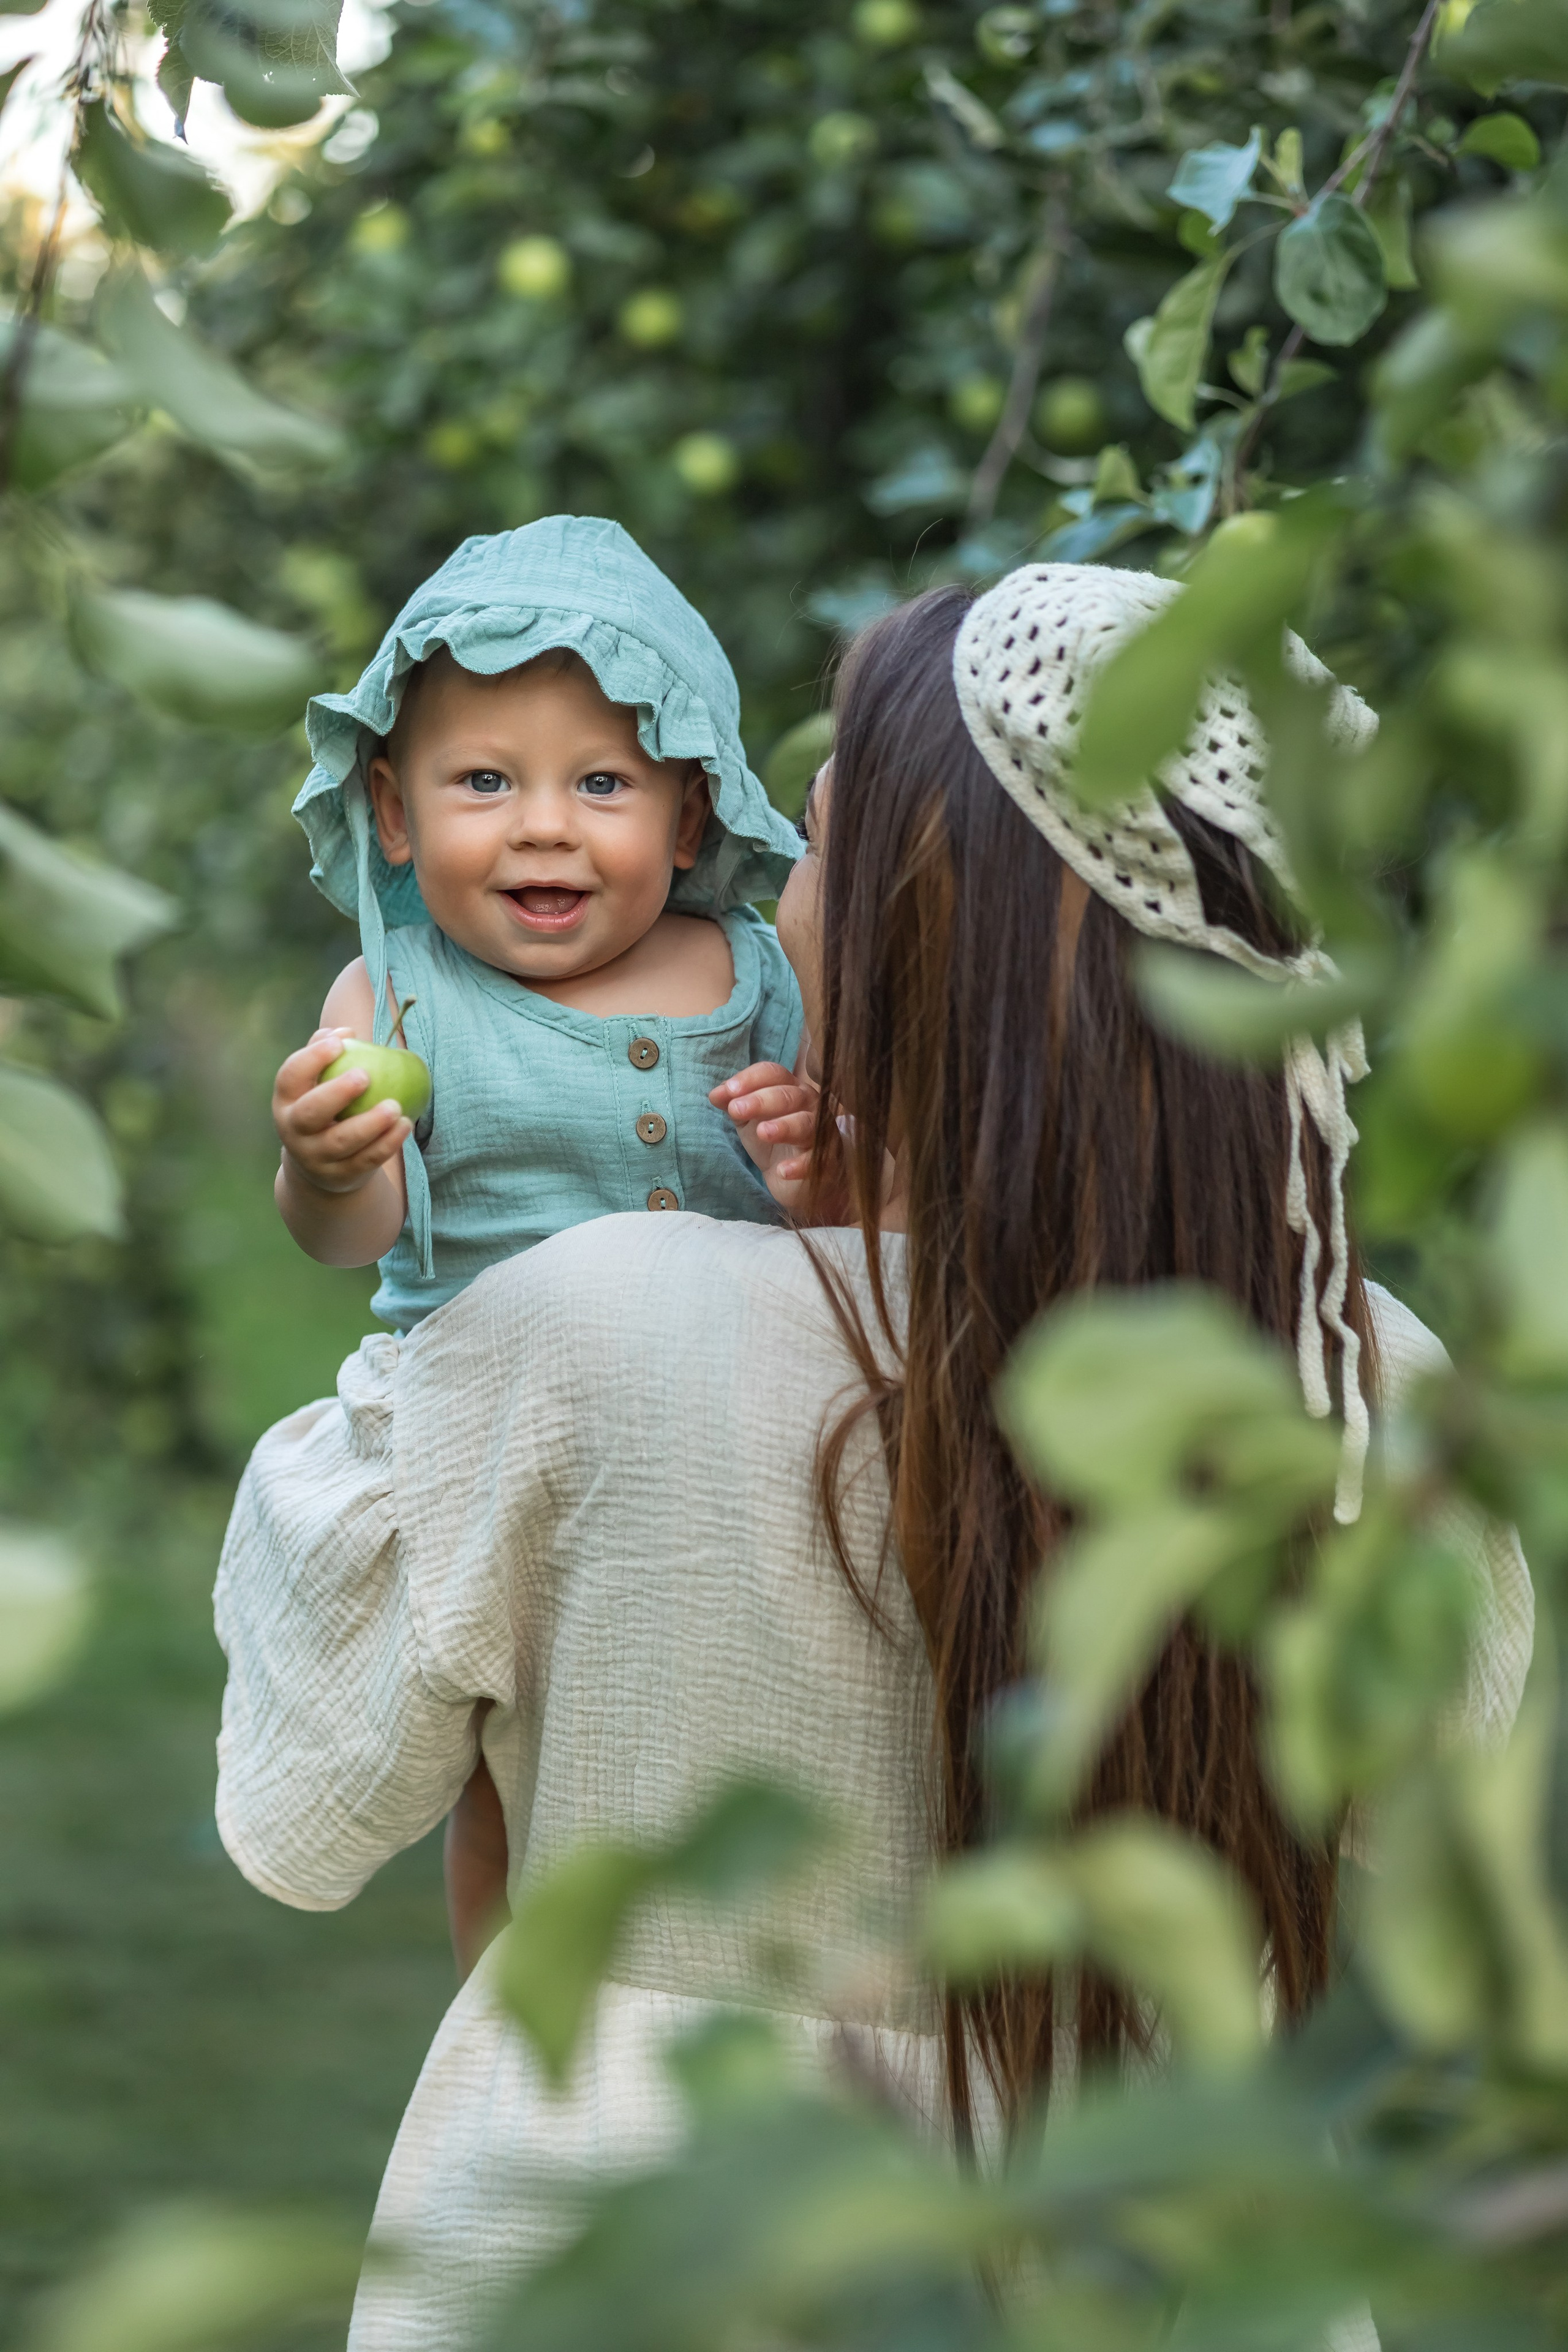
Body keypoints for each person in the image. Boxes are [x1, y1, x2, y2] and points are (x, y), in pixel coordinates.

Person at [213, 564, 1532, 2350]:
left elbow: (308, 1802)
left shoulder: (588, 1337)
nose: (773, 898)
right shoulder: (1340, 1402)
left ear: (924, 916)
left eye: (818, 845)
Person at [264, 514, 804, 1968]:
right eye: (484, 781)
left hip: (732, 1456)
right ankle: (508, 2033)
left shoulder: (763, 982)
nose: (545, 825)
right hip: (510, 1460)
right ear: (392, 809)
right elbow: (350, 1236)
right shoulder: (389, 1001)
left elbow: (850, 1216)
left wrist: (824, 1170)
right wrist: (327, 1164)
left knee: (739, 1743)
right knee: (518, 1771)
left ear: (689, 817)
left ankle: (729, 1982)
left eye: (603, 783)